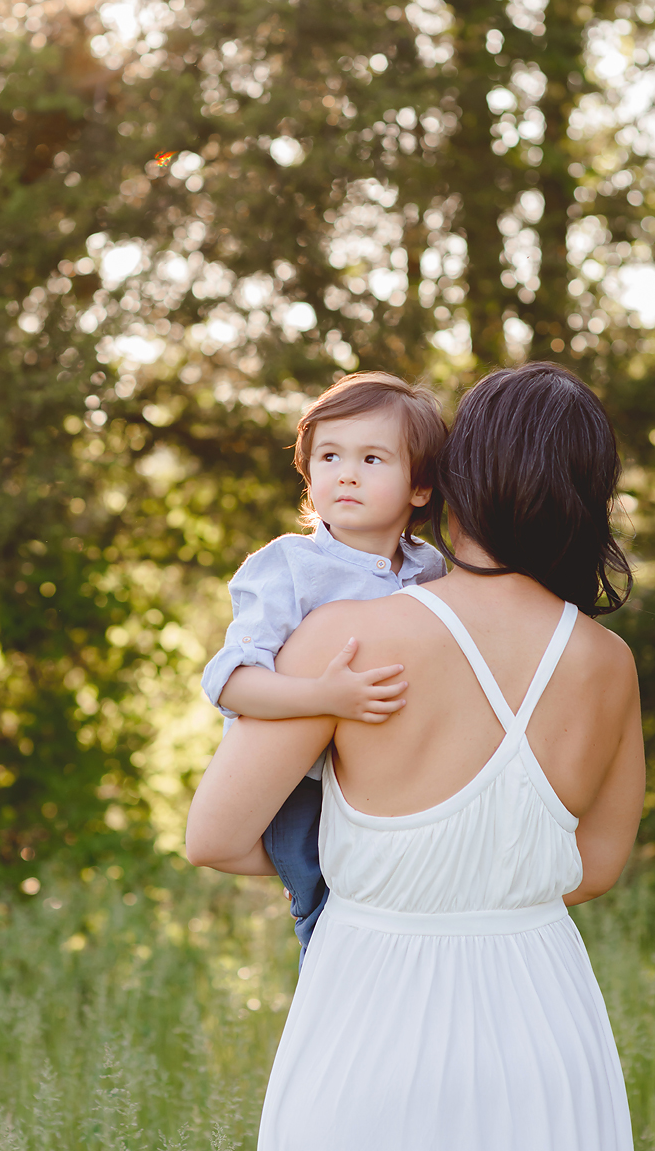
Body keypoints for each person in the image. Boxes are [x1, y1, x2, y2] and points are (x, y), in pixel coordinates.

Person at [187, 362, 645, 1151]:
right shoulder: (608, 663)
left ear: (449, 479)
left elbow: (215, 838)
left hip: (373, 1007)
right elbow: (596, 866)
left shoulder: (343, 637)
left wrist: (384, 880)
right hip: (545, 1015)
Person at [201, 372, 448, 951]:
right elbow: (230, 681)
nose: (346, 473)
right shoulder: (290, 565)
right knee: (334, 926)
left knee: (406, 920)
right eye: (330, 455)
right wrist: (323, 697)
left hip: (388, 783)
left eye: (372, 458)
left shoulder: (430, 569)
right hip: (301, 788)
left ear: (420, 488)